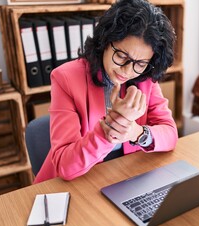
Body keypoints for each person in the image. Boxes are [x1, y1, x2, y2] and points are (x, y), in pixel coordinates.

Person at [34, 0, 178, 183]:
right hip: (79, 180)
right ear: (105, 41)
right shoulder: (66, 78)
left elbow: (170, 134)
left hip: (122, 175)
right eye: (121, 56)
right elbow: (65, 166)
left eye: (140, 63)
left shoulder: (146, 77)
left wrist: (136, 133)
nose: (127, 71)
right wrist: (112, 127)